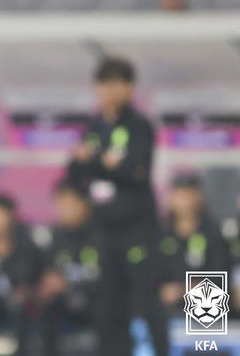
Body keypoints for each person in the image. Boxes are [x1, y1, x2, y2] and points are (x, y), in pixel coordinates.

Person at [67, 56, 168, 356]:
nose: (111, 91)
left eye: (119, 83)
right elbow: (74, 170)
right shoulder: (94, 126)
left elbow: (136, 171)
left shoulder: (139, 125)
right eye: (105, 84)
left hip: (137, 230)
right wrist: (102, 162)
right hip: (103, 231)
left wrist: (95, 161)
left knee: (146, 301)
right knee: (108, 305)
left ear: (130, 88)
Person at [38, 179, 101, 356]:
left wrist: (70, 284)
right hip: (64, 312)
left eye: (68, 204)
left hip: (97, 312)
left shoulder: (102, 236)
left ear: (84, 204)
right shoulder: (56, 237)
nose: (62, 209)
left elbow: (110, 281)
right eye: (59, 204)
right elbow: (47, 272)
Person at [0, 194, 42, 356]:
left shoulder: (26, 244)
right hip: (0, 305)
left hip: (29, 306)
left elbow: (27, 283)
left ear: (9, 216)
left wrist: (4, 257)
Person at [159, 173, 230, 313]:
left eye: (190, 194)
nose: (185, 201)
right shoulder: (161, 236)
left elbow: (221, 281)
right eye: (180, 195)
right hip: (166, 315)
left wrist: (183, 290)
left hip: (206, 315)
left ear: (199, 197)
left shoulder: (214, 235)